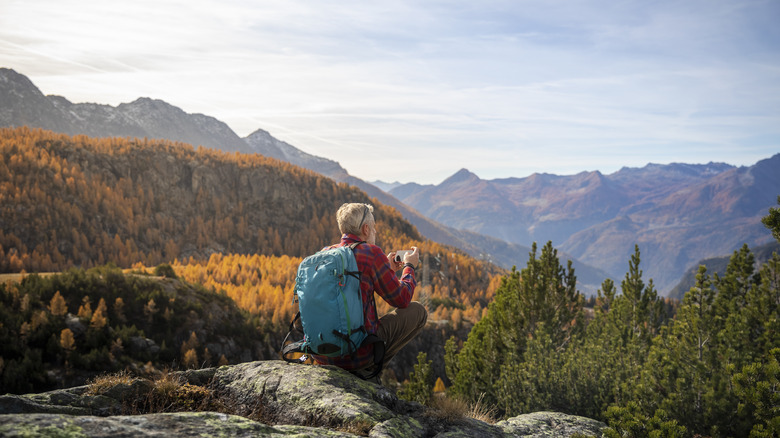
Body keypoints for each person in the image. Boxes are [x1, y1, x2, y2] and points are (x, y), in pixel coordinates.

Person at [310, 202, 428, 380]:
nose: (375, 231)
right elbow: (402, 299)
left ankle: (367, 371)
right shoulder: (371, 253)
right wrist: (409, 266)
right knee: (418, 311)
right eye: (373, 228)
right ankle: (370, 372)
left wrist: (386, 268)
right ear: (365, 229)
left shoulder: (325, 253)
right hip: (358, 355)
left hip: (323, 354)